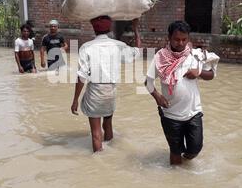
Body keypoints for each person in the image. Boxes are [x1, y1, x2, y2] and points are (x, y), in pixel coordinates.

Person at [145, 21, 219, 165]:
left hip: (193, 112)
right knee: (175, 152)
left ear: (188, 38)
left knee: (195, 148)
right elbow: (147, 82)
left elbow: (211, 75)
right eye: (176, 39)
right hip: (170, 114)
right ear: (169, 38)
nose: (180, 43)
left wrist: (198, 73)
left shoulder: (196, 56)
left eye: (184, 39)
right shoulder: (160, 58)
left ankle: (185, 162)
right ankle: (175, 183)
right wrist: (157, 96)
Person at [71, 16, 141, 152]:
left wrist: (75, 100)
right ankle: (111, 153)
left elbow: (81, 76)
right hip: (111, 91)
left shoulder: (87, 47)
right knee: (108, 125)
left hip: (95, 92)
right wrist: (135, 28)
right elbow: (136, 52)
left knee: (96, 134)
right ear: (109, 28)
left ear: (93, 29)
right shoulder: (118, 45)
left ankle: (99, 161)